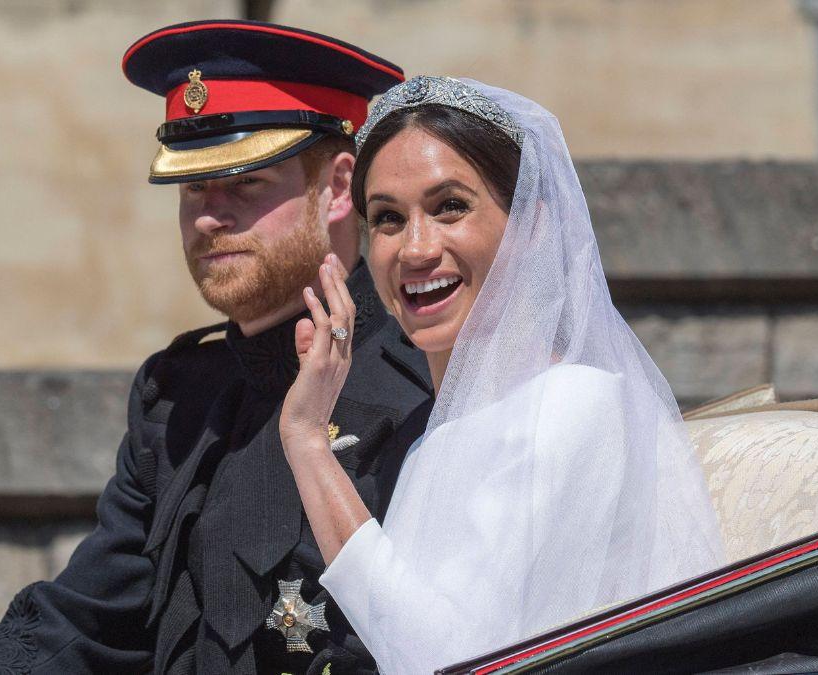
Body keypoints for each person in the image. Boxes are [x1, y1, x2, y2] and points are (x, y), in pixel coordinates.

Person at [0, 22, 433, 674]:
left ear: (339, 189)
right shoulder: (177, 398)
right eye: (194, 186)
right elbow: (85, 623)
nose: (207, 215)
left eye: (245, 183)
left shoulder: (426, 384)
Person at [278, 76, 725, 674]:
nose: (415, 248)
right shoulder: (437, 434)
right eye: (387, 218)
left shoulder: (572, 403)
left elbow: (446, 660)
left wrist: (308, 441)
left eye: (450, 207)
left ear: (531, 225)